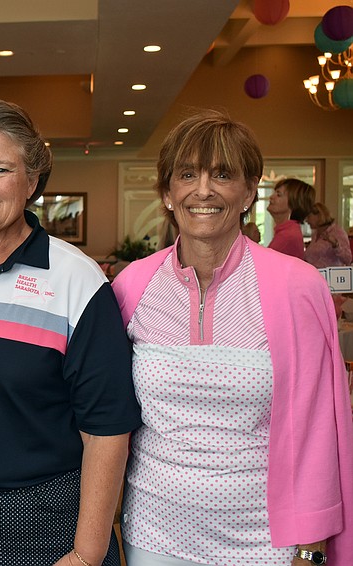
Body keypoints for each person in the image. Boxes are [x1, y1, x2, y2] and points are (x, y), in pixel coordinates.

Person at [0, 98, 141, 566]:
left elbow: (107, 428)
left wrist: (87, 552)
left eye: (0, 170)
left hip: (48, 529)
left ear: (32, 181)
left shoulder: (75, 278)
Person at [113, 110, 353, 565]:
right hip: (153, 528)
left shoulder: (296, 286)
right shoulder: (132, 286)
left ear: (248, 191)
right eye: (187, 175)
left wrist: (311, 543)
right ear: (168, 193)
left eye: (222, 174)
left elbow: (318, 424)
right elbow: (108, 410)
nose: (203, 190)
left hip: (266, 535)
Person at [266, 177, 315, 259]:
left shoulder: (288, 236)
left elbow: (263, 264)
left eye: (279, 195)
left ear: (293, 203)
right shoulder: (287, 231)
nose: (271, 197)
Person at [305, 201, 352, 268]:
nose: (306, 220)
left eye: (309, 216)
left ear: (318, 216)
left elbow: (348, 259)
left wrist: (335, 245)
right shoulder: (315, 234)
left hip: (330, 276)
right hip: (315, 275)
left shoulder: (337, 232)